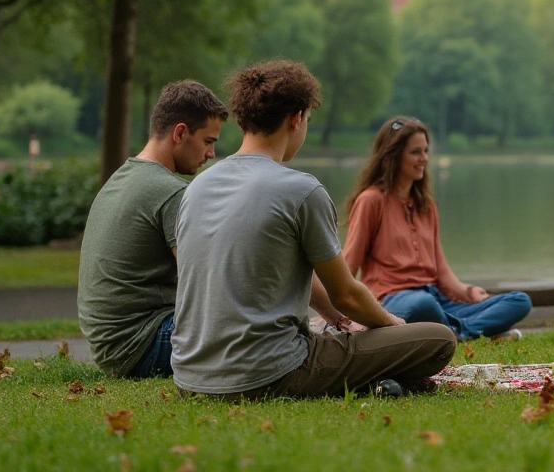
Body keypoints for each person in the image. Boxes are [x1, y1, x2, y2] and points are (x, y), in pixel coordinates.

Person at [172, 61, 455, 398]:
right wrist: (391, 325)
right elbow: (347, 293)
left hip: (191, 379)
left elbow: (262, 270)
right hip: (269, 375)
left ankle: (377, 383)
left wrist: (330, 314)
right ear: (297, 118)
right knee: (438, 340)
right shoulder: (300, 189)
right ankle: (377, 383)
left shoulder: (198, 187)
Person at [77, 80, 227, 378]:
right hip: (144, 344)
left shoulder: (123, 176)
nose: (211, 154)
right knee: (259, 333)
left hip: (111, 348)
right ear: (180, 133)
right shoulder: (170, 191)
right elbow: (203, 283)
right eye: (208, 142)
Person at [343, 116, 531, 341]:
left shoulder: (426, 206)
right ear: (393, 156)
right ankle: (465, 331)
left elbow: (441, 273)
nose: (424, 158)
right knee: (422, 304)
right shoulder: (370, 201)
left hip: (437, 301)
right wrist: (345, 313)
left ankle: (456, 332)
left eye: (426, 151)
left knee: (519, 301)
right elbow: (348, 267)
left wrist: (468, 292)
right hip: (393, 300)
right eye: (415, 152)